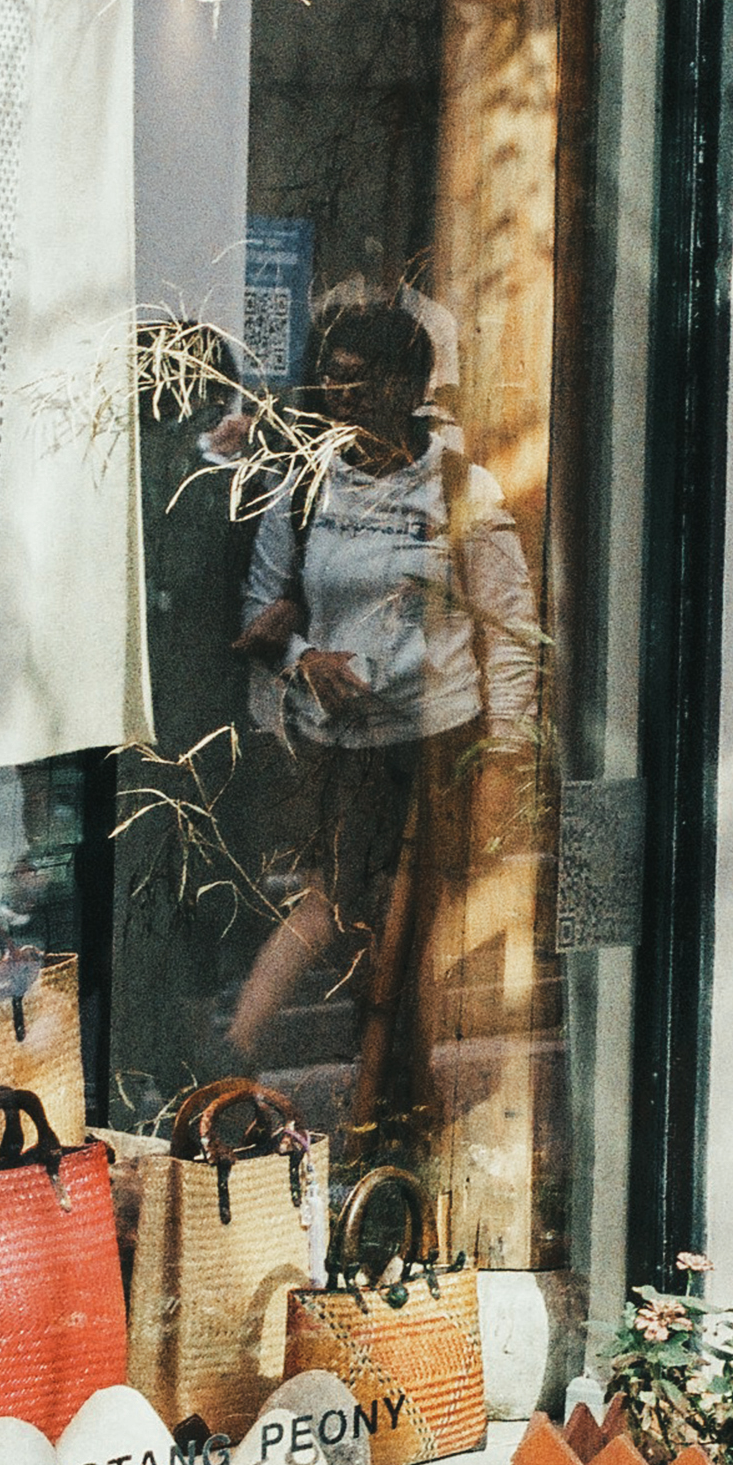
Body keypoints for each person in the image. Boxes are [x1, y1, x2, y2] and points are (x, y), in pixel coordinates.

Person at [225, 301, 542, 1077]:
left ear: (407, 388)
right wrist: (305, 657)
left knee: (417, 916)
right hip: (335, 743)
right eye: (332, 383)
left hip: (437, 741)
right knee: (330, 907)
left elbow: (509, 633)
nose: (343, 400)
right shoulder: (302, 487)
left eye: (362, 385)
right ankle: (240, 1058)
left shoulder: (461, 489)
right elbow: (259, 611)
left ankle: (395, 1083)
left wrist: (504, 753)